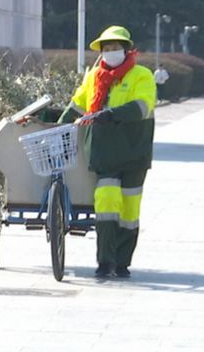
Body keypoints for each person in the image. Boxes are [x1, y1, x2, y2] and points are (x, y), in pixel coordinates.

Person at [58, 25, 156, 278]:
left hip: (134, 153)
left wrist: (111, 114)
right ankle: (105, 262)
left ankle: (123, 262)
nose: (111, 53)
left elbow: (143, 106)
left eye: (116, 48)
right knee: (106, 204)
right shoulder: (93, 77)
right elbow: (79, 104)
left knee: (129, 212)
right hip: (104, 154)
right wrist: (58, 125)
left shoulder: (141, 75)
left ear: (127, 50)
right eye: (107, 49)